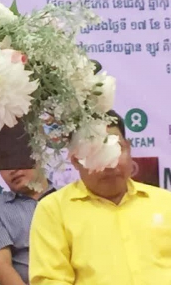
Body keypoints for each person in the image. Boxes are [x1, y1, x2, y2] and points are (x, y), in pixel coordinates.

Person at [29, 110, 171, 284]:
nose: (109, 164)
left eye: (115, 149)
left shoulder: (165, 202)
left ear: (128, 148)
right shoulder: (54, 210)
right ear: (75, 160)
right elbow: (49, 280)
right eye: (94, 153)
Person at [0, 168, 53, 285]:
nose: (12, 170)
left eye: (18, 161)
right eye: (4, 165)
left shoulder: (71, 197)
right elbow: (2, 266)